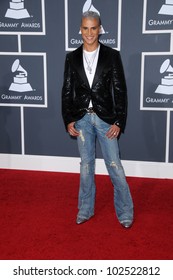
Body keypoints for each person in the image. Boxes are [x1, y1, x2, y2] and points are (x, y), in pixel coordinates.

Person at [62, 11, 134, 228]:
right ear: (80, 29)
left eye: (94, 28)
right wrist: (68, 119)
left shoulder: (112, 56)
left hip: (106, 120)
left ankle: (125, 211)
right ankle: (85, 209)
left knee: (115, 166)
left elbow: (120, 90)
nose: (89, 33)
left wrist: (119, 121)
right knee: (86, 167)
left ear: (100, 29)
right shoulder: (71, 57)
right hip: (82, 120)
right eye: (85, 28)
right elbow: (67, 90)